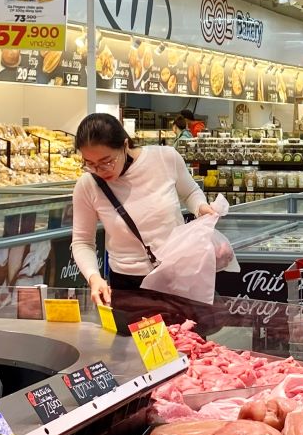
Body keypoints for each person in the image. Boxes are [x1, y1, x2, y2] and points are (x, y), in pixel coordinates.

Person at [71, 113, 215, 306]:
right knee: (129, 336)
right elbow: (82, 242)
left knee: (182, 335)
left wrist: (200, 207)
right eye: (90, 164)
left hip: (176, 275)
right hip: (127, 284)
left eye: (107, 161)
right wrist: (93, 277)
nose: (100, 170)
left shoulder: (165, 158)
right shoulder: (87, 185)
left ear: (124, 145)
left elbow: (190, 192)